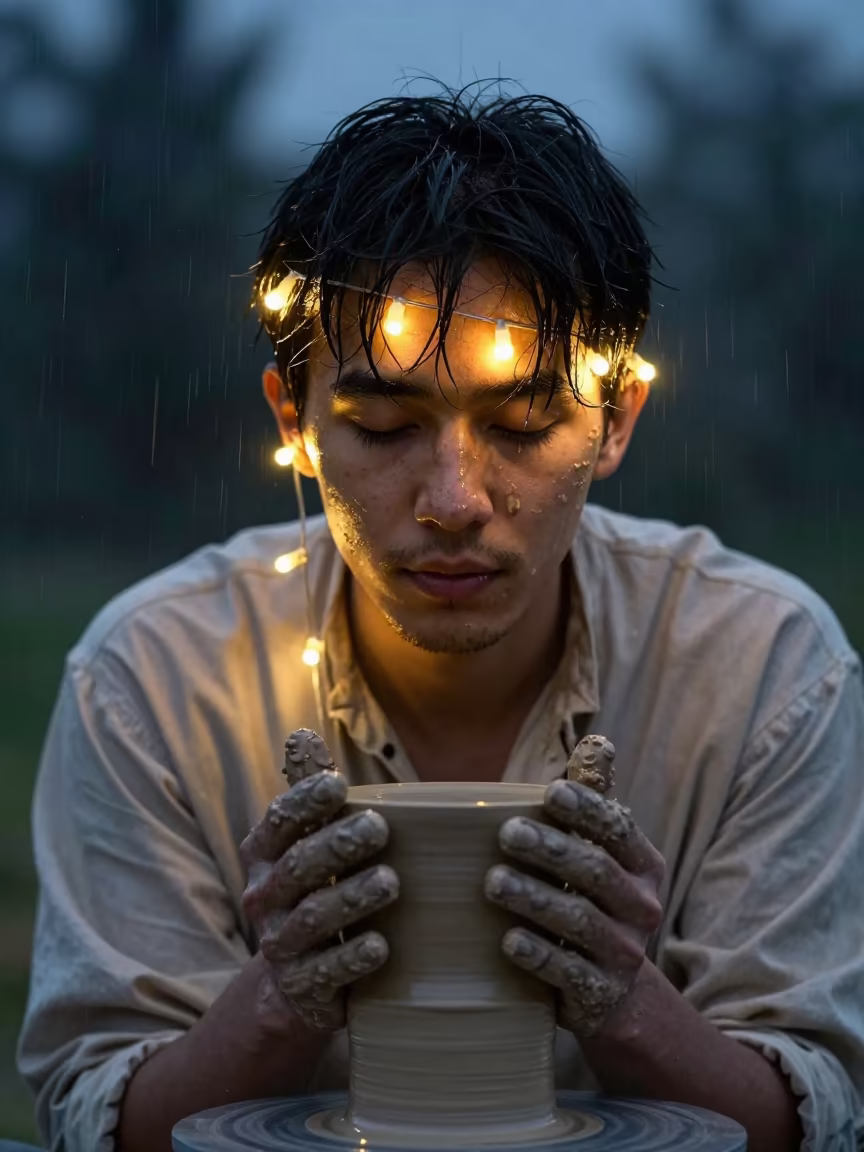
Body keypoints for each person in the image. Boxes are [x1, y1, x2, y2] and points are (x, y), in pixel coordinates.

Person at [16, 87, 864, 1152]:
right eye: (383, 425)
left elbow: (810, 1122)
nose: (455, 499)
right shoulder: (153, 679)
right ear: (297, 418)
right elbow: (99, 1119)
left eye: (523, 422)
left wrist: (623, 999)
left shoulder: (761, 670)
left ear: (616, 420)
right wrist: (282, 996)